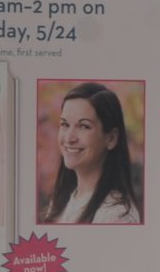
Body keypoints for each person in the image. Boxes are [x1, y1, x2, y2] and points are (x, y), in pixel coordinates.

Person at [41, 82, 142, 225]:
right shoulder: (59, 204)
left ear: (111, 138)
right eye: (64, 124)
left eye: (84, 126)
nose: (69, 138)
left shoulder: (117, 215)